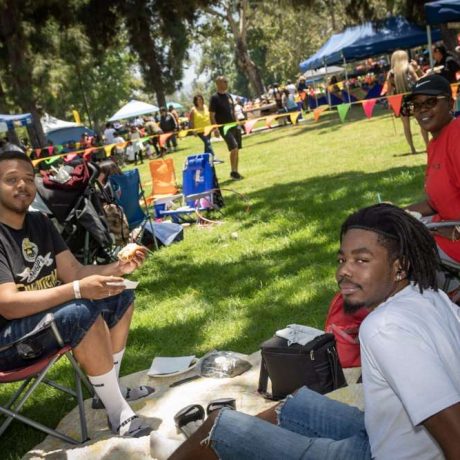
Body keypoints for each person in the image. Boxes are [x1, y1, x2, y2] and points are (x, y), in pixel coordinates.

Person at [151, 203, 460, 460]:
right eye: (342, 259)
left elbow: (452, 429)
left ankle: (202, 452)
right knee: (297, 404)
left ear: (399, 266)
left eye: (361, 260)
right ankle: (196, 453)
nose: (344, 271)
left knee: (220, 427)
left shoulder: (384, 329)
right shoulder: (430, 296)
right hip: (389, 438)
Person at [0, 151, 154, 438]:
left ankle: (108, 391)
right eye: (11, 179)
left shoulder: (41, 224)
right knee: (79, 312)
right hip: (7, 342)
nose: (22, 185)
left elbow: (73, 272)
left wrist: (118, 268)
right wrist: (76, 291)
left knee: (118, 296)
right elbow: (7, 305)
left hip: (42, 322)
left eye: (28, 179)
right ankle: (117, 411)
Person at [405, 74, 460, 264]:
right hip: (444, 226)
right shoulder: (435, 142)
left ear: (451, 104)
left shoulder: (457, 136)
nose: (423, 110)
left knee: (390, 252)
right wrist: (397, 212)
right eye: (417, 105)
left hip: (455, 240)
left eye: (431, 102)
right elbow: (437, 202)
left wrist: (454, 231)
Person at [386, 50, 429, 155]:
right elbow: (418, 81)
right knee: (421, 122)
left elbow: (389, 92)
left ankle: (412, 149)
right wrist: (426, 73)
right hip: (413, 99)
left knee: (406, 126)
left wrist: (390, 103)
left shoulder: (391, 73)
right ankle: (427, 145)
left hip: (400, 101)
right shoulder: (408, 68)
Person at [209, 76, 243, 180]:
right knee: (234, 147)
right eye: (225, 82)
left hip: (234, 125)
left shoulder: (228, 96)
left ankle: (235, 171)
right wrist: (215, 129)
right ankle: (233, 171)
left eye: (227, 81)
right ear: (218, 83)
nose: (227, 83)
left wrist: (237, 122)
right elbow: (211, 115)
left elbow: (232, 110)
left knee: (236, 149)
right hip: (224, 127)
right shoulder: (214, 98)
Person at [189, 94, 223, 164]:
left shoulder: (206, 107)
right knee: (207, 142)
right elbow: (191, 121)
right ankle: (213, 158)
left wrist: (214, 127)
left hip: (208, 129)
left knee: (207, 144)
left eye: (201, 99)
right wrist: (193, 130)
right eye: (198, 100)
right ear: (195, 101)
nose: (200, 101)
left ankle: (206, 160)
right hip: (200, 131)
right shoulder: (193, 110)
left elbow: (209, 117)